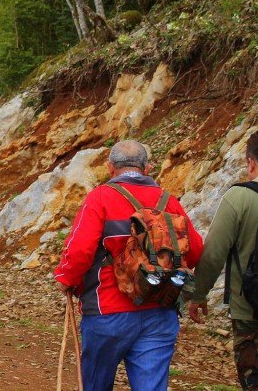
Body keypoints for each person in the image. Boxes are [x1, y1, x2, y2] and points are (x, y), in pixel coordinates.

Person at [54, 140, 203, 391]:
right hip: (159, 309)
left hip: (108, 312)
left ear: (110, 167)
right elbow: (196, 250)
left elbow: (79, 249)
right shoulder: (168, 201)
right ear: (147, 168)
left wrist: (65, 278)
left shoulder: (100, 198)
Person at [189, 131, 258, 390]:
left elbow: (215, 253)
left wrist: (198, 294)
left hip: (252, 310)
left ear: (250, 162)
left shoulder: (240, 197)